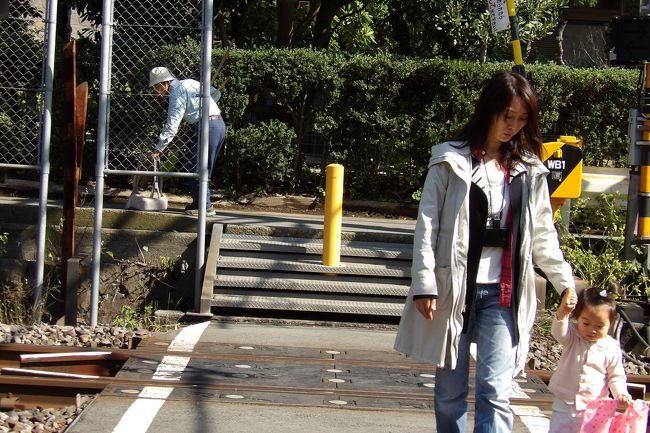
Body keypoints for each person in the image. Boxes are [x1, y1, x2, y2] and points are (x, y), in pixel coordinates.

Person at [393, 70, 576, 433]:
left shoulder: (529, 170)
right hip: (455, 290)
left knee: (495, 388)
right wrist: (425, 284)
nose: (513, 126)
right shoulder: (449, 161)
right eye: (508, 115)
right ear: (488, 109)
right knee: (449, 392)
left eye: (522, 119)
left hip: (502, 294)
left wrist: (564, 281)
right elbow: (427, 226)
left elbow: (542, 235)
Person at [548, 287, 632, 432]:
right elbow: (558, 333)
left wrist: (621, 393)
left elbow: (616, 376)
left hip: (595, 407)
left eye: (600, 326)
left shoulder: (610, 347)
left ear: (610, 324)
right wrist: (562, 314)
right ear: (578, 318)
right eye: (586, 323)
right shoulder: (573, 336)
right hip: (565, 402)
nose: (592, 330)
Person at [147, 66, 227, 216]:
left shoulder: (176, 93)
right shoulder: (189, 82)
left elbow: (172, 124)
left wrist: (159, 149)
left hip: (206, 127)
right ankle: (200, 203)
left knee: (196, 168)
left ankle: (205, 207)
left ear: (165, 83)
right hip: (218, 124)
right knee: (201, 166)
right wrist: (201, 108)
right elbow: (216, 94)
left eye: (157, 88)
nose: (157, 93)